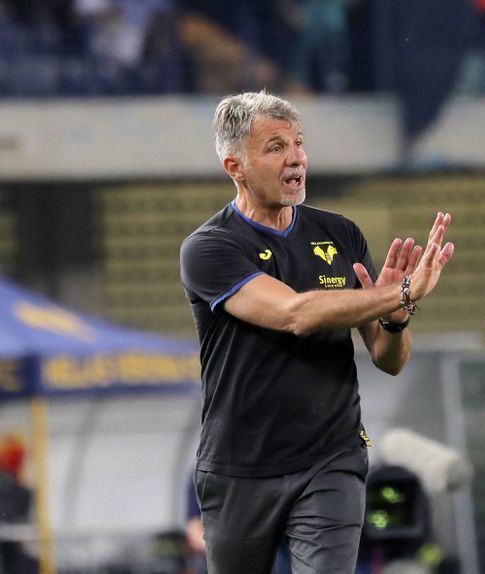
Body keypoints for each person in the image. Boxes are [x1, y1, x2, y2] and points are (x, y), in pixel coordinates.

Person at [179, 90, 455, 574]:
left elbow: (389, 357)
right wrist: (401, 292)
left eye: (299, 143)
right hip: (240, 466)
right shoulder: (209, 247)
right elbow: (295, 314)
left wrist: (397, 313)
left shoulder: (341, 234)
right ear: (235, 166)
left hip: (331, 457)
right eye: (276, 147)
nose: (296, 158)